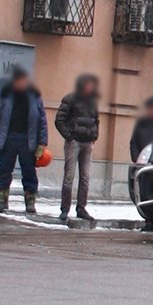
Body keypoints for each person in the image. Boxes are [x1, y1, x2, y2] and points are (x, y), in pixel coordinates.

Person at [0, 66, 48, 214]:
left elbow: (42, 121)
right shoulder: (4, 95)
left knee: (29, 172)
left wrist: (42, 143)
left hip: (28, 141)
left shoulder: (34, 97)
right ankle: (2, 200)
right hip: (8, 138)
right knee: (4, 170)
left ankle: (30, 201)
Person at [55, 74, 100, 222]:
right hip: (74, 142)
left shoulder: (92, 102)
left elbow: (96, 121)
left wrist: (94, 137)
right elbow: (59, 120)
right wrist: (69, 136)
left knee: (85, 177)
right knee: (69, 176)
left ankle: (81, 208)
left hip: (88, 143)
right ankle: (65, 209)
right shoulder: (70, 99)